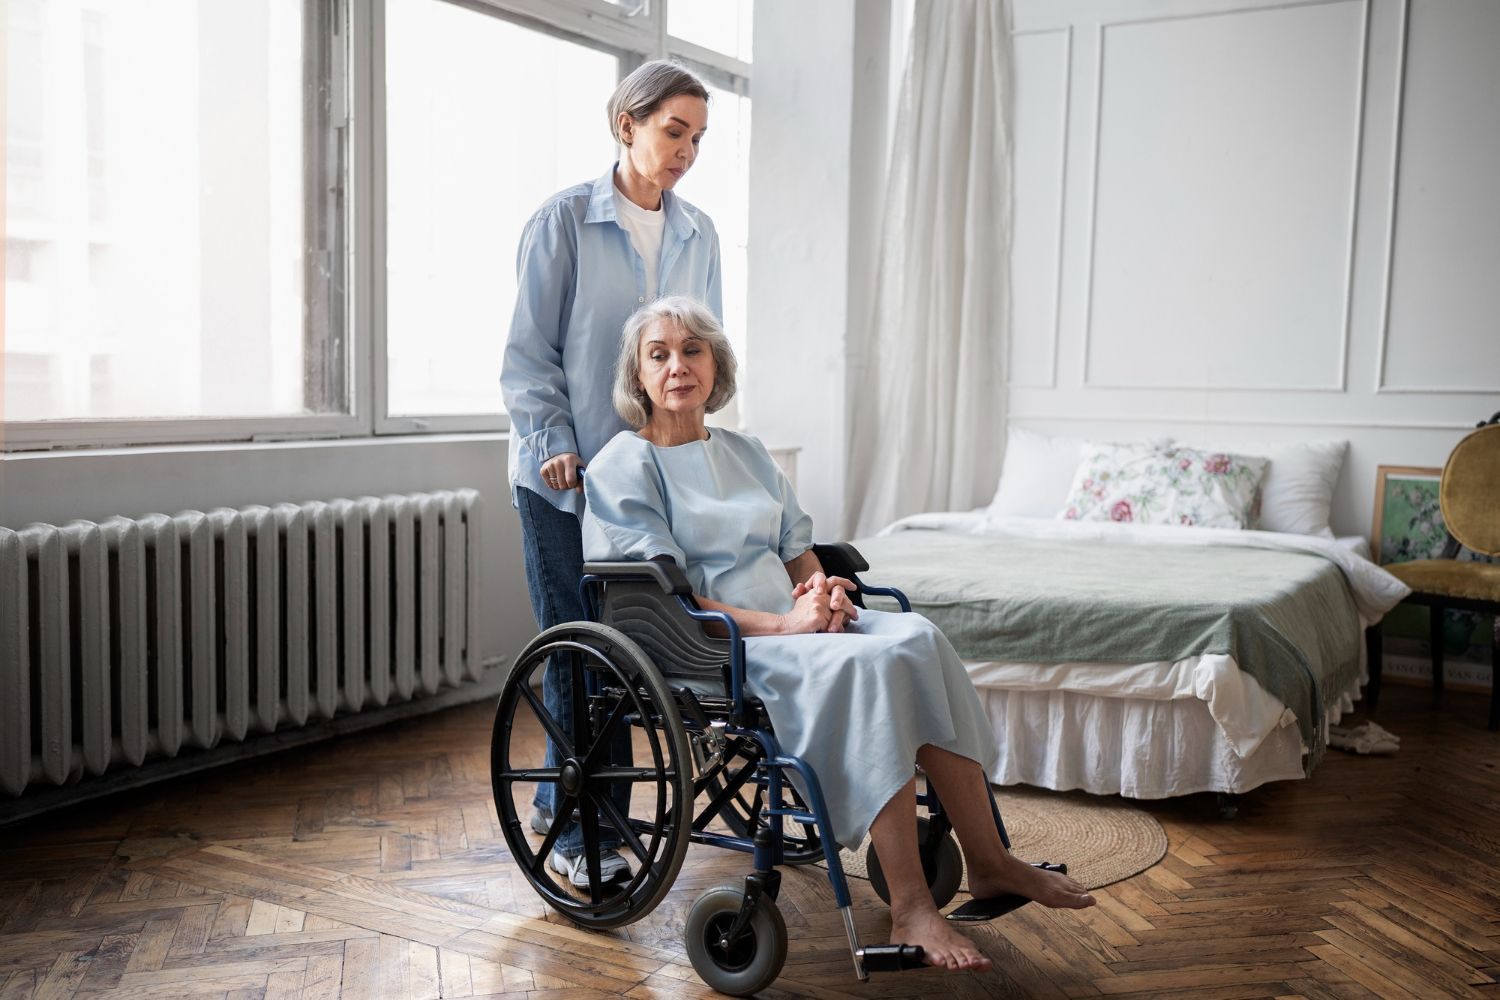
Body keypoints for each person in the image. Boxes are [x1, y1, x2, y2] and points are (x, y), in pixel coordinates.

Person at [581, 297, 1096, 972]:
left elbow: (798, 546)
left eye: (693, 350)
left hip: (793, 620)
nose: (679, 366)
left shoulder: (745, 450)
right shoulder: (624, 465)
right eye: (660, 354)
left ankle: (991, 861)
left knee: (916, 638)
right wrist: (786, 624)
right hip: (718, 642)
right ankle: (912, 904)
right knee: (866, 671)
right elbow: (667, 592)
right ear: (638, 377)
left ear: (716, 365)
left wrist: (820, 590)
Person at [500, 60, 722, 889]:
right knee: (582, 650)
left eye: (698, 138)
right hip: (564, 477)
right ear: (626, 125)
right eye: (675, 131)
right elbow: (528, 358)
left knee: (642, 651)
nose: (688, 151)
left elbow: (705, 350)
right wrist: (554, 438)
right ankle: (585, 832)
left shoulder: (699, 232)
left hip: (650, 479)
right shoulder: (563, 222)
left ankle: (572, 796)